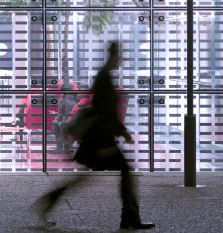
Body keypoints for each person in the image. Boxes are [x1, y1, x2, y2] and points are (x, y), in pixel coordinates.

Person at [38, 42, 155, 230]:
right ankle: (130, 219)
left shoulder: (104, 76)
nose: (122, 59)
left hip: (99, 139)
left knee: (86, 178)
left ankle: (47, 203)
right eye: (120, 55)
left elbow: (105, 111)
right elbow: (104, 112)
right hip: (100, 141)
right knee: (124, 172)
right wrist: (116, 135)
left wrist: (121, 131)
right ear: (113, 56)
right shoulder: (104, 79)